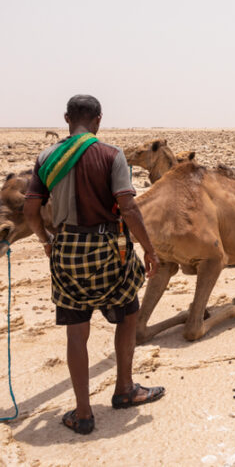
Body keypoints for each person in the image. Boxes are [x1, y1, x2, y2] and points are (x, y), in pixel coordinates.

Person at [23, 95, 164, 435]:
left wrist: (46, 240)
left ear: (67, 118)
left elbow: (30, 210)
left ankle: (83, 413)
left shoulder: (47, 157)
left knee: (76, 330)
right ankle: (125, 389)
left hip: (66, 246)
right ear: (99, 120)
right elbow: (128, 208)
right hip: (109, 247)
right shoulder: (111, 155)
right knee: (128, 314)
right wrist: (149, 249)